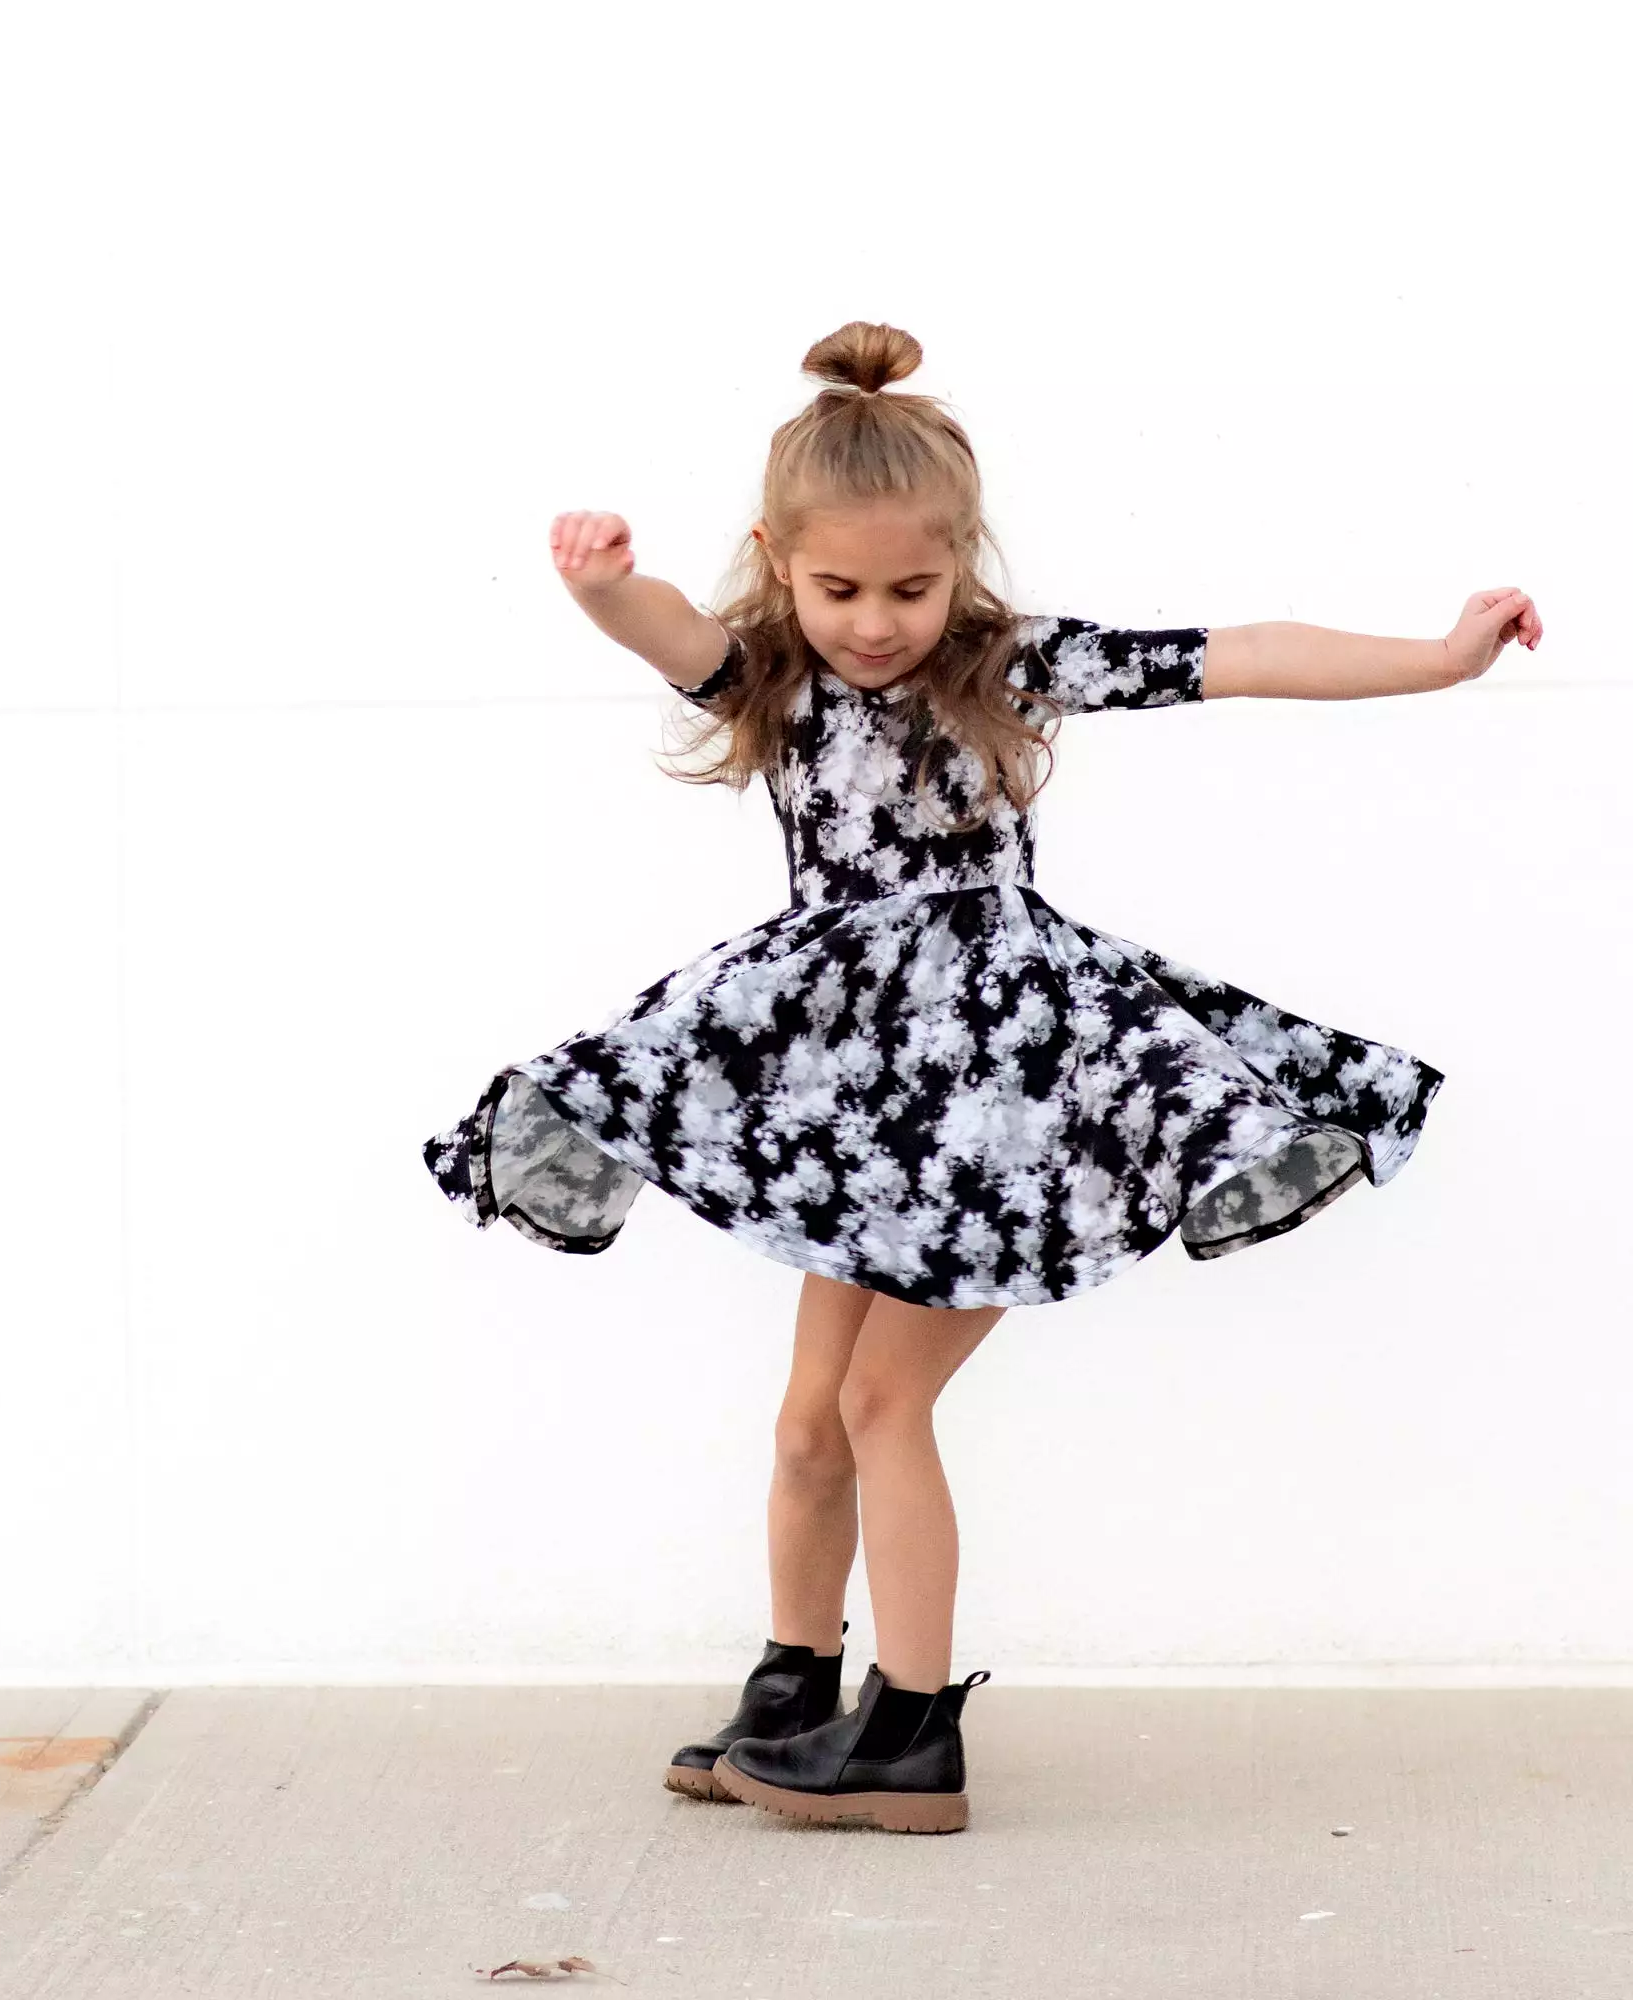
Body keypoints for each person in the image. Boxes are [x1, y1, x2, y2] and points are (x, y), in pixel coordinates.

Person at [420, 320, 1542, 1835]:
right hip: (863, 1107)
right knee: (808, 1417)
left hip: (1011, 1095)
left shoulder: (1011, 663)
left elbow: (1247, 653)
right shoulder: (772, 675)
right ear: (779, 558)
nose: (875, 624)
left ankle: (912, 1733)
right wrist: (604, 582)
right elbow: (672, 631)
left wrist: (1441, 657)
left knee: (886, 1402)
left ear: (962, 561)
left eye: (910, 587)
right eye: (838, 590)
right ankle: (793, 1688)